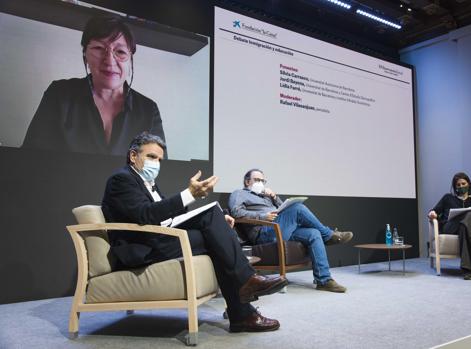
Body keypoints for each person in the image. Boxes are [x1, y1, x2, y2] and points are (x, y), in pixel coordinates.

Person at [101, 133, 288, 332]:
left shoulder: (148, 183)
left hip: (159, 237)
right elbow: (145, 215)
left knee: (215, 222)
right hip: (142, 246)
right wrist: (188, 194)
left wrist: (205, 212)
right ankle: (243, 304)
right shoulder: (121, 180)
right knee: (215, 235)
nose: (156, 163)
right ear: (133, 156)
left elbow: (165, 215)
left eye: (159, 159)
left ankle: (244, 305)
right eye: (151, 157)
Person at [22, 16, 165, 155]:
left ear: (130, 59)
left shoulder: (148, 110)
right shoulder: (59, 94)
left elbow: (157, 171)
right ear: (85, 54)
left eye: (120, 51)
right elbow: (31, 158)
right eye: (98, 48)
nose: (109, 61)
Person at [228, 169, 354, 293]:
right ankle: (328, 235)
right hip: (264, 232)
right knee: (298, 208)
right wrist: (263, 216)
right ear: (247, 182)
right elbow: (235, 212)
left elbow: (284, 209)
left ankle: (324, 281)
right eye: (257, 180)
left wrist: (274, 196)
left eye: (262, 180)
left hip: (280, 228)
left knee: (313, 234)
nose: (260, 183)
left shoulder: (266, 196)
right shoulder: (239, 193)